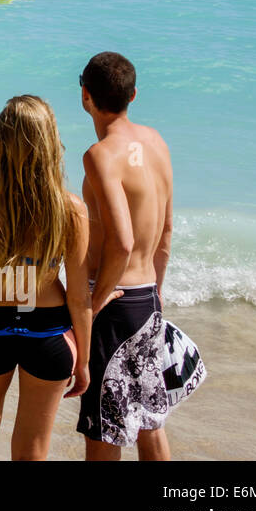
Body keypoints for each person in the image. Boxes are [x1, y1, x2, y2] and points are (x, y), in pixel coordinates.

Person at [0, 95, 92, 460]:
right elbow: (77, 296)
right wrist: (85, 361)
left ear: (0, 139)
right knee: (32, 446)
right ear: (50, 141)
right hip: (48, 332)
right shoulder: (70, 208)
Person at [76, 51, 179, 461]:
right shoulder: (155, 141)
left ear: (86, 96)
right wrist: (156, 291)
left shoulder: (100, 155)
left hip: (115, 308)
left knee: (105, 432)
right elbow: (166, 230)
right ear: (133, 94)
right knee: (149, 422)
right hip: (147, 298)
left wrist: (96, 299)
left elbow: (121, 241)